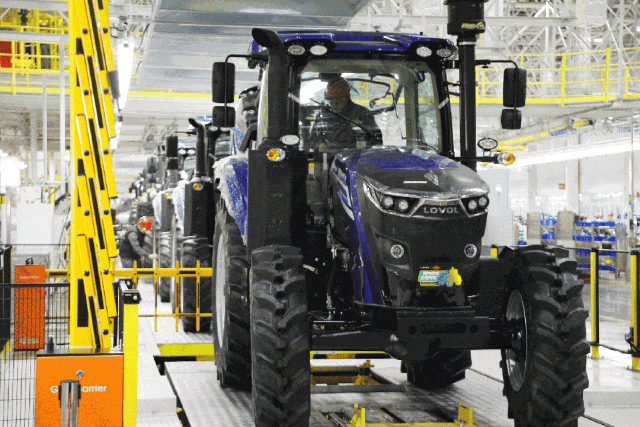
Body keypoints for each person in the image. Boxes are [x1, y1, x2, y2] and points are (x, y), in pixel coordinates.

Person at [308, 76, 381, 152]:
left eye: (337, 103)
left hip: (356, 157)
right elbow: (312, 140)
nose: (334, 106)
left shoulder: (362, 114)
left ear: (347, 99)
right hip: (329, 157)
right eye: (331, 103)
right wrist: (319, 145)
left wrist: (363, 146)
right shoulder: (323, 116)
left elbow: (377, 139)